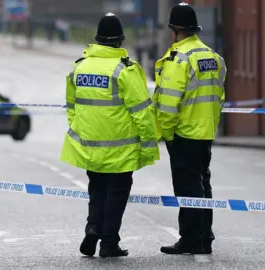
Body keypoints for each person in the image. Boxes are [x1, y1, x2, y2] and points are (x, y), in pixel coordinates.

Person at [60, 13, 159, 258]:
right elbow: (142, 113)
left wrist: (82, 131)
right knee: (117, 192)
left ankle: (93, 227)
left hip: (89, 145)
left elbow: (71, 107)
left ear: (97, 39)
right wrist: (149, 146)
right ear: (120, 40)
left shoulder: (79, 67)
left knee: (96, 188)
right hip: (120, 149)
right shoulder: (125, 70)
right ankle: (108, 243)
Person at [152, 3, 226, 255]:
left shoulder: (178, 59)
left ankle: (191, 238)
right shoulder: (213, 58)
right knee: (203, 184)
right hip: (205, 131)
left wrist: (168, 134)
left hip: (184, 133)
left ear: (175, 32)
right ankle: (205, 236)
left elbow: (169, 103)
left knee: (187, 188)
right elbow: (220, 96)